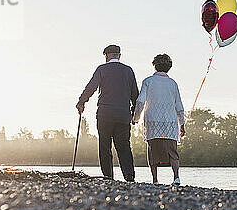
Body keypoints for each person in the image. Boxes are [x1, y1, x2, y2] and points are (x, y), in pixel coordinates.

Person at [77, 45, 138, 182]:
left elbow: (91, 87)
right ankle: (129, 176)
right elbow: (135, 94)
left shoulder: (102, 69)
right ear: (119, 56)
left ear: (106, 56)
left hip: (105, 114)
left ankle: (108, 177)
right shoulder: (128, 71)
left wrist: (81, 102)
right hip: (123, 115)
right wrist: (135, 113)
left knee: (105, 146)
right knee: (124, 146)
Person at [132, 54, 186, 185]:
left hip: (152, 120)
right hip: (170, 121)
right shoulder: (173, 83)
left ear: (155, 66)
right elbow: (179, 105)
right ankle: (176, 177)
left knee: (153, 150)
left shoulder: (148, 81)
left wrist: (136, 118)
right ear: (169, 67)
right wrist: (182, 123)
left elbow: (140, 101)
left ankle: (155, 180)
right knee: (172, 150)